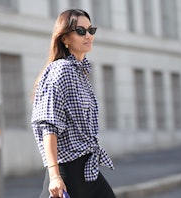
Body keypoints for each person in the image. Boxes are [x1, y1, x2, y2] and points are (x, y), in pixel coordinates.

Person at [31, 9, 116, 198]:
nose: (88, 36)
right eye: (80, 31)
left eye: (91, 30)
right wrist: (54, 176)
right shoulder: (60, 71)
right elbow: (48, 126)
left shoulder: (79, 72)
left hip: (87, 169)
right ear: (65, 38)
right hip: (68, 172)